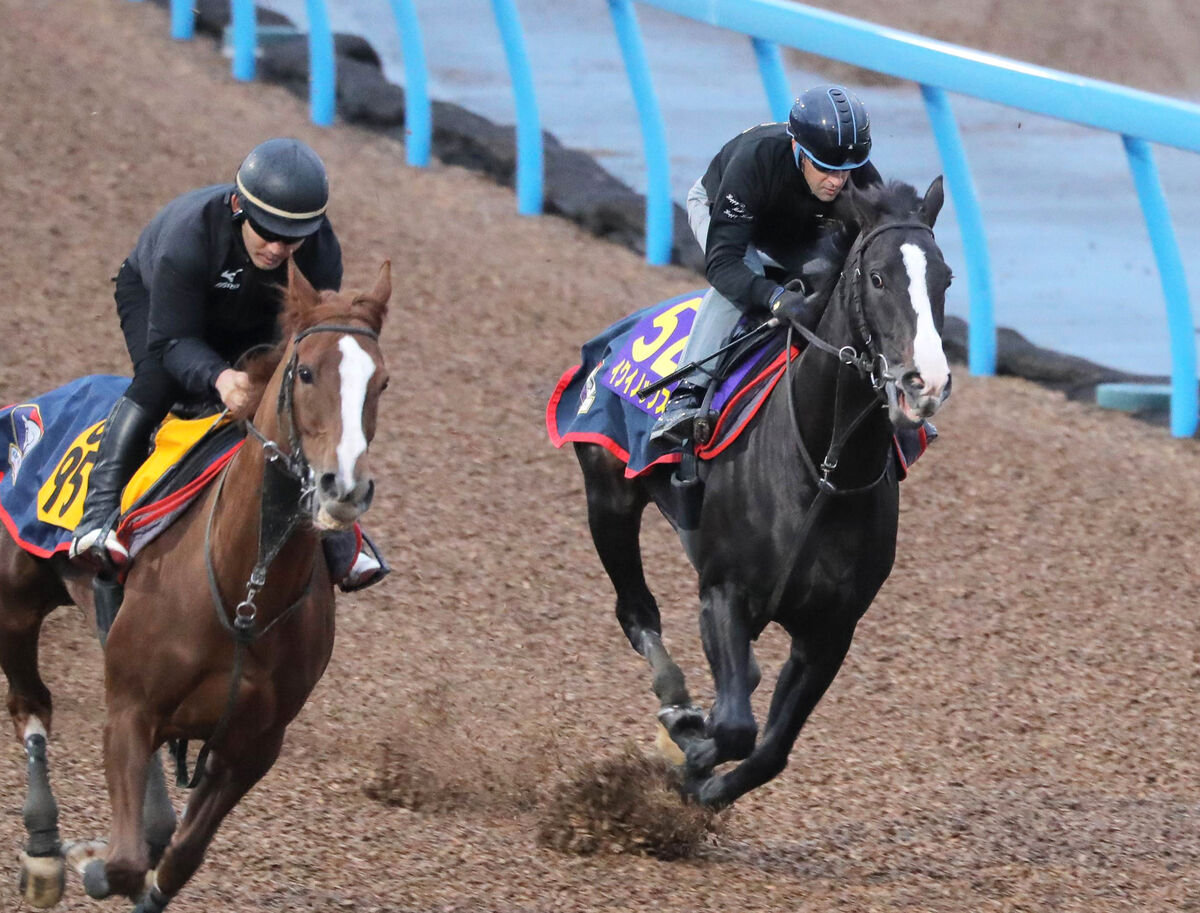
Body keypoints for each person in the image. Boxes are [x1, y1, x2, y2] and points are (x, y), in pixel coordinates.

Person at [69, 138, 388, 592]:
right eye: (267, 232)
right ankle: (96, 519)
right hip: (165, 308)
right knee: (161, 383)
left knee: (284, 401)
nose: (278, 249)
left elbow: (308, 339)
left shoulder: (319, 250)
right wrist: (219, 377)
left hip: (257, 312)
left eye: (291, 238)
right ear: (239, 206)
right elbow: (173, 340)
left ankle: (339, 536)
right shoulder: (189, 237)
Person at [651, 84, 882, 443]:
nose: (837, 181)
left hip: (790, 226)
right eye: (825, 168)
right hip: (723, 208)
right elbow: (723, 264)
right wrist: (772, 296)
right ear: (798, 148)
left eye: (846, 170)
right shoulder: (755, 159)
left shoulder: (859, 175)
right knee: (747, 277)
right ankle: (685, 395)